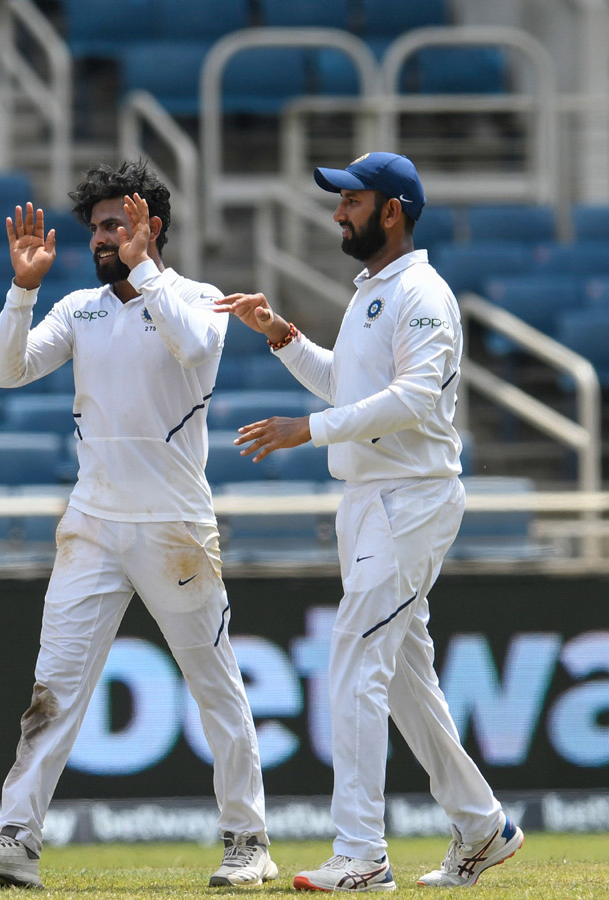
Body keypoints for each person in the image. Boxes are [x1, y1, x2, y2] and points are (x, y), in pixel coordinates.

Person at [0, 161, 277, 890]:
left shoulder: (197, 300)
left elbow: (191, 345)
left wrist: (144, 270)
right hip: (92, 525)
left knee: (215, 685)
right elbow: (6, 371)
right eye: (94, 228)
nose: (100, 239)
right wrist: (23, 290)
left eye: (114, 225)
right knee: (53, 689)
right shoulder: (79, 309)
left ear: (150, 227)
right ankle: (17, 837)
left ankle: (248, 841)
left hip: (174, 528)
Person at [215, 152, 524, 892]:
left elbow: (416, 398)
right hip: (370, 500)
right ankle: (483, 826)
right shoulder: (372, 293)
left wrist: (309, 430)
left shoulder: (420, 292)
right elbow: (348, 385)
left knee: (355, 656)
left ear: (393, 209)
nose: (337, 213)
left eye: (351, 200)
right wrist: (283, 337)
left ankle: (361, 853)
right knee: (406, 678)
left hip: (409, 497)